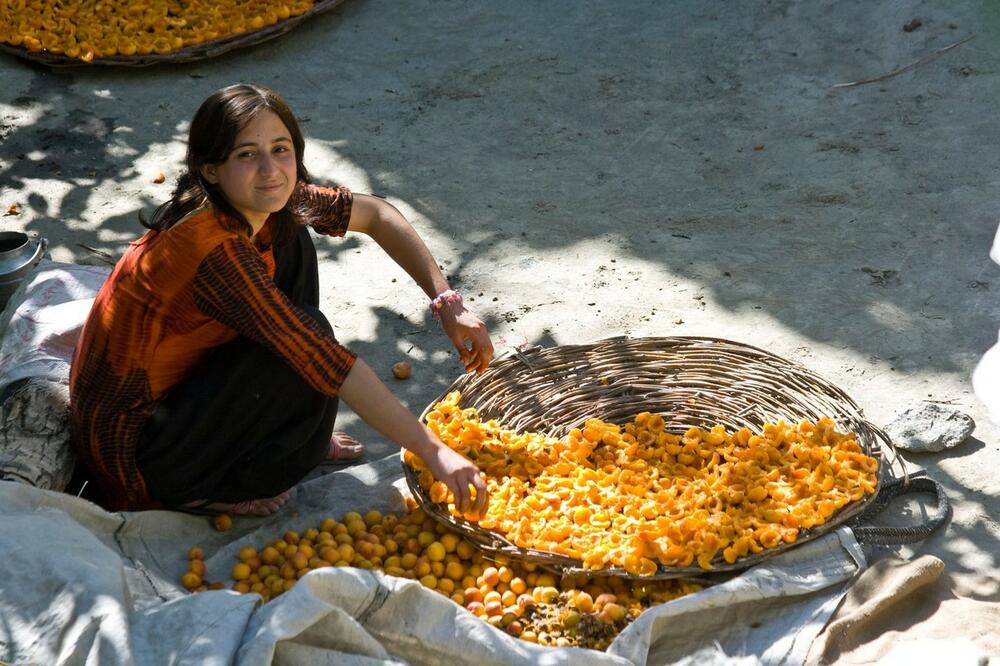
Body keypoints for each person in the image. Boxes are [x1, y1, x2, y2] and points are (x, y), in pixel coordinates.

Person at [69, 83, 493, 518]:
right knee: (308, 338)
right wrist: (435, 451)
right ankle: (198, 491)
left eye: (281, 149)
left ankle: (289, 432)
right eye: (247, 154)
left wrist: (448, 302)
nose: (271, 170)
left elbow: (377, 214)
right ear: (211, 169)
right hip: (141, 456)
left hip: (179, 401)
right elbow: (324, 361)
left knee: (291, 238)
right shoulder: (215, 253)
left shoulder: (260, 201)